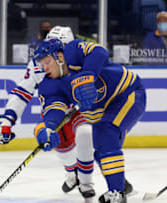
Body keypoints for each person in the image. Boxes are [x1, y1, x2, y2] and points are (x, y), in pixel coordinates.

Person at [33, 38, 146, 203]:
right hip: (104, 111)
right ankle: (121, 187)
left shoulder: (72, 51)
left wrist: (88, 74)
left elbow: (99, 52)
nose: (45, 67)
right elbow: (54, 109)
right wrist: (49, 128)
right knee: (100, 148)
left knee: (107, 134)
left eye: (47, 61)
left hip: (127, 93)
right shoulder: (50, 85)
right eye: (41, 64)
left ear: (59, 56)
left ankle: (116, 193)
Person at [0, 26, 96, 201]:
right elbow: (22, 91)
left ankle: (110, 178)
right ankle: (72, 172)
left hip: (79, 107)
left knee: (89, 135)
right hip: (55, 106)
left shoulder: (81, 57)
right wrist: (7, 119)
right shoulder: (38, 63)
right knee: (59, 140)